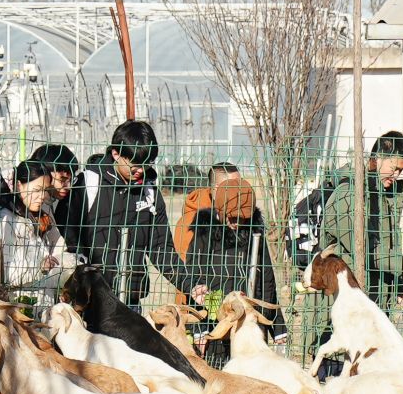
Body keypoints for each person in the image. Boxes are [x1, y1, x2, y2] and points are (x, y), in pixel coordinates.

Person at [57, 119, 203, 305]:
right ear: (116, 153)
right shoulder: (87, 185)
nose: (140, 171)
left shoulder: (149, 193)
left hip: (130, 300)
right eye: (135, 165)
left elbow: (161, 249)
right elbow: (67, 239)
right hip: (88, 299)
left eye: (147, 164)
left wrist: (191, 284)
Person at [316, 129, 403, 304]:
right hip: (339, 302)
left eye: (401, 170)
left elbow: (385, 248)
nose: (397, 175)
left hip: (366, 299)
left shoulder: (380, 194)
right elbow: (365, 249)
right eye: (394, 168)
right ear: (378, 158)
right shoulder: (348, 194)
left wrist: (398, 286)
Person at [177, 166, 287, 343]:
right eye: (232, 217)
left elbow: (267, 280)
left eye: (242, 218)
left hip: (249, 320)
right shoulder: (203, 233)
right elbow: (192, 281)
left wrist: (276, 323)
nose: (236, 223)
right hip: (214, 322)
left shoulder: (253, 233)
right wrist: (199, 330)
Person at [0, 158, 69, 295]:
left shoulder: (32, 215)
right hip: (19, 301)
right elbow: (6, 274)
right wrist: (41, 267)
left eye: (45, 190)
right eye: (37, 190)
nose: (42, 196)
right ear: (19, 185)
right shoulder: (5, 220)